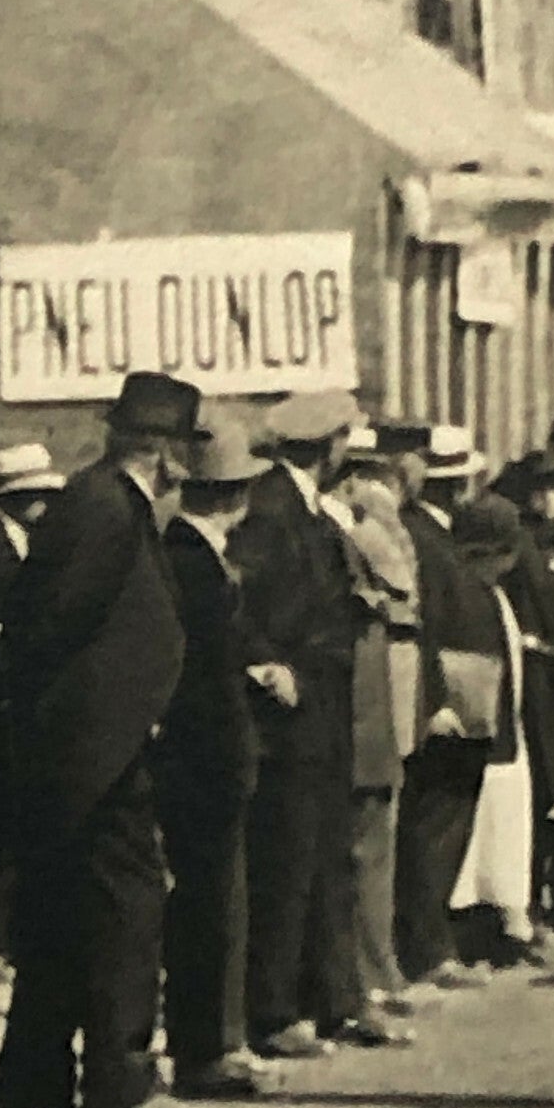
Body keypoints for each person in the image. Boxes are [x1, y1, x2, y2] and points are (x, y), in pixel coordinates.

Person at [0, 371, 191, 1108]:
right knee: (124, 915)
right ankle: (118, 1074)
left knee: (64, 919)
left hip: (89, 749)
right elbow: (50, 622)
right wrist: (88, 720)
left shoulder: (106, 502)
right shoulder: (105, 508)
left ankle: (37, 1081)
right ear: (163, 451)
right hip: (92, 755)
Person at [151, 427, 281, 1096]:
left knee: (219, 901)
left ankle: (216, 1040)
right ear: (236, 496)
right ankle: (205, 1049)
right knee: (210, 905)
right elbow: (204, 664)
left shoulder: (195, 555)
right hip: (202, 758)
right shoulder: (192, 562)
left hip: (207, 755)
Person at [232, 391, 359, 1059]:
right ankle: (273, 1010)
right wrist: (265, 663)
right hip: (289, 714)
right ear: (330, 443)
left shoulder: (302, 506)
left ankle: (324, 998)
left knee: (316, 855)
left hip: (319, 708)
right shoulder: (273, 508)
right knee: (284, 863)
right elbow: (244, 599)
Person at [392, 424, 501, 992]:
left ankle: (430, 943)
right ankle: (427, 948)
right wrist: (434, 700)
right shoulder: (422, 541)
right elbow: (425, 622)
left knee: (447, 822)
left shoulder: (440, 535)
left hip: (466, 694)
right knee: (434, 824)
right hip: (448, 700)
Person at [325, 431, 425, 1027]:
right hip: (361, 706)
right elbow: (402, 587)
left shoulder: (367, 528)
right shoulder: (356, 532)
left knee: (375, 837)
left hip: (377, 702)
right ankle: (368, 970)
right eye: (362, 472)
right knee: (365, 842)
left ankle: (376, 964)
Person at [0, 442, 66, 985]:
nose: (43, 507)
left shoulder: (48, 551)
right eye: (33, 497)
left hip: (32, 705)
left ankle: (13, 935)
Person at [495, 449, 554, 958]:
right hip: (534, 677)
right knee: (541, 784)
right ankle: (528, 903)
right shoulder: (521, 549)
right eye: (548, 488)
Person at [448, 494, 538, 966]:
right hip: (484, 733)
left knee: (503, 829)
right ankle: (480, 925)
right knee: (480, 836)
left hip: (506, 734)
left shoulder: (495, 595)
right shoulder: (468, 592)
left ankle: (505, 916)